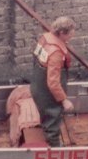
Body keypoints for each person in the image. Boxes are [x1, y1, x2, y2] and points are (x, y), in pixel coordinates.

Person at [29, 16, 76, 147]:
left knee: (45, 114)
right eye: (71, 32)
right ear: (62, 33)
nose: (73, 34)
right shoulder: (56, 53)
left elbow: (35, 57)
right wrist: (64, 100)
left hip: (37, 85)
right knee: (52, 117)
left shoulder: (45, 38)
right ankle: (54, 146)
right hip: (48, 93)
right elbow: (53, 82)